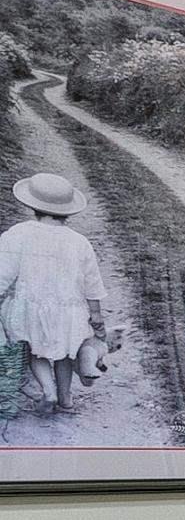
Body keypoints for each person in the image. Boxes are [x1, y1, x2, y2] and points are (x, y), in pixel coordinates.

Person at [0, 171, 109, 415]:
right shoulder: (79, 242)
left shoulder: (17, 234)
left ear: (32, 205)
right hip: (68, 310)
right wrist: (96, 315)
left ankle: (47, 390)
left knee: (32, 349)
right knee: (65, 355)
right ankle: (65, 398)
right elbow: (92, 282)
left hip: (30, 307)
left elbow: (3, 272)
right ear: (68, 211)